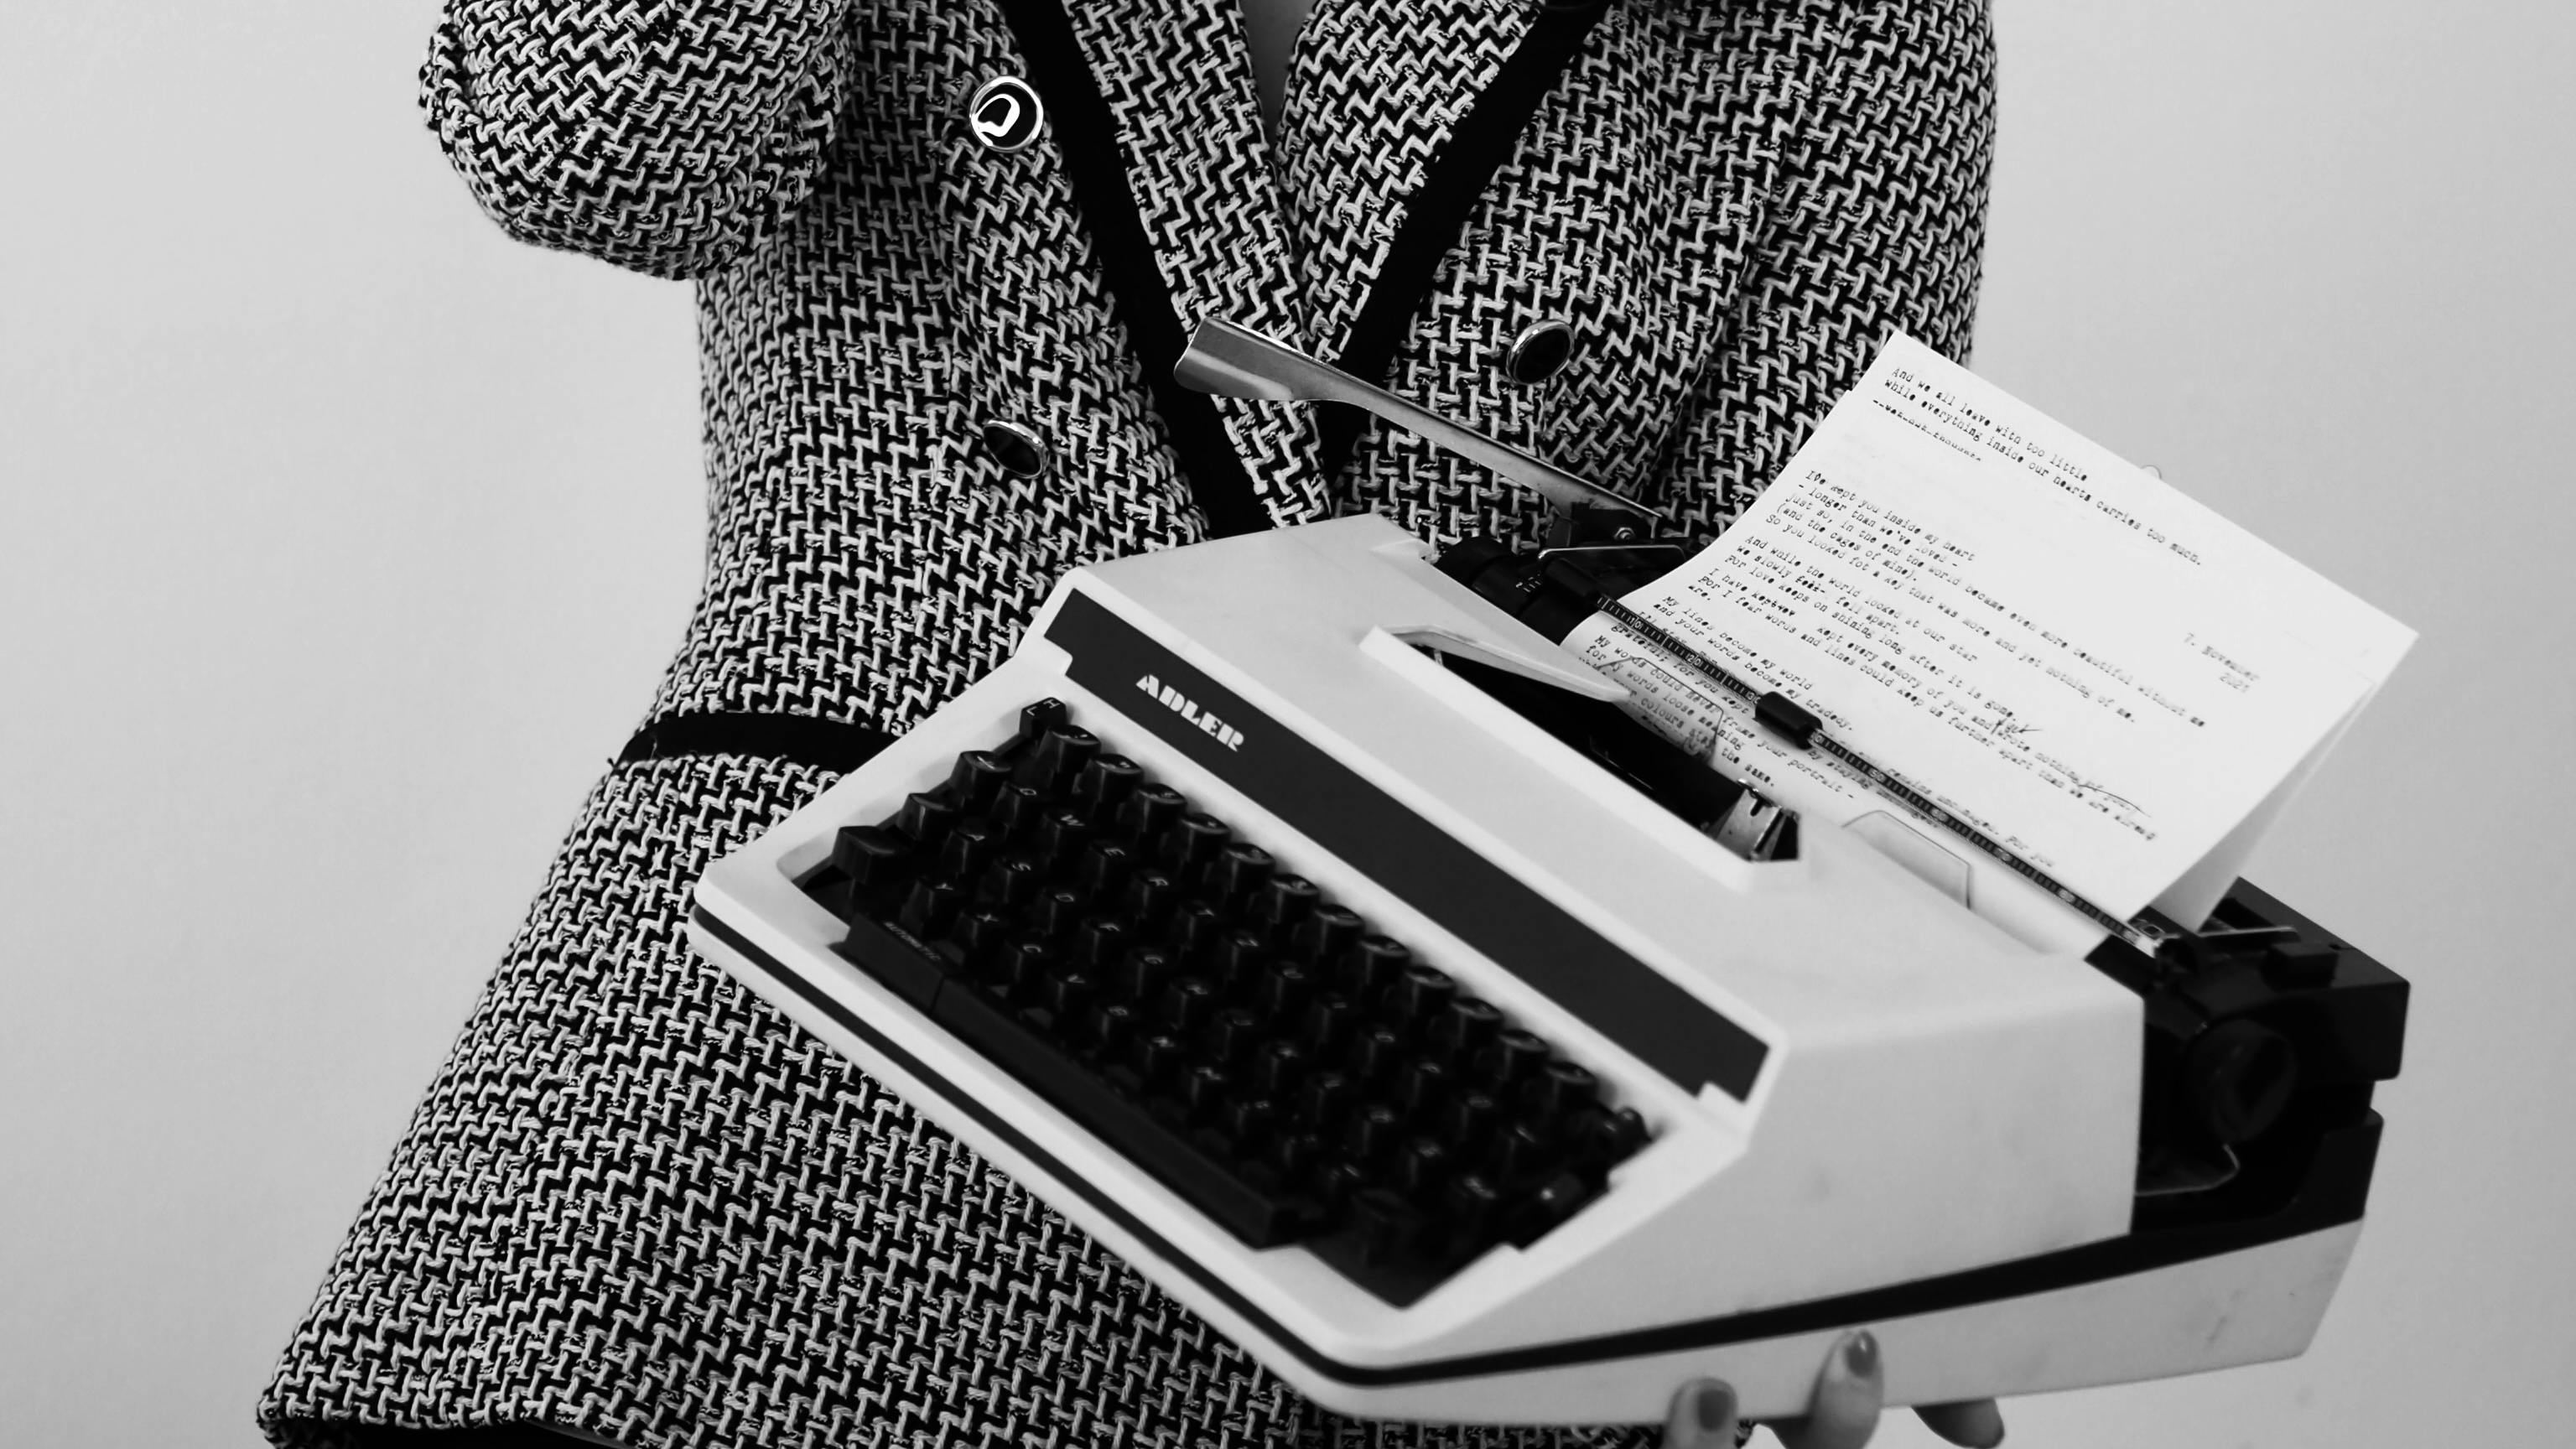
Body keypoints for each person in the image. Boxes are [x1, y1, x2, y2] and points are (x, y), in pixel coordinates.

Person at [257, 2, 2006, 1445]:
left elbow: (1760, 682)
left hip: (1415, 1123)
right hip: (795, 1043)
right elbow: (600, 151)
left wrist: (1852, 1164)